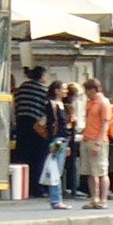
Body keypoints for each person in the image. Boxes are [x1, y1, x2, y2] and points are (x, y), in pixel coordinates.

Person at [12, 65, 50, 200]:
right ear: (42, 76)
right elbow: (46, 109)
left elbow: (16, 104)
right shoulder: (43, 90)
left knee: (23, 155)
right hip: (36, 126)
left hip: (21, 123)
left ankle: (22, 186)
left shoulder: (22, 88)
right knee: (38, 157)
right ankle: (36, 187)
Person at [38, 80, 71, 209]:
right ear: (56, 91)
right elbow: (47, 123)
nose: (66, 91)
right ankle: (56, 199)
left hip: (62, 140)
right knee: (55, 170)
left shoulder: (61, 104)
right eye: (63, 88)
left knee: (57, 170)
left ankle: (56, 198)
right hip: (57, 140)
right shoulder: (52, 105)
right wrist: (51, 138)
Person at [79, 77, 112, 209]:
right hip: (87, 138)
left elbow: (105, 123)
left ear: (93, 90)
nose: (86, 93)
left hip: (98, 140)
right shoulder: (90, 102)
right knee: (91, 172)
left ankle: (103, 199)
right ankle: (94, 198)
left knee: (101, 170)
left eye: (87, 90)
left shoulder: (103, 102)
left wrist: (98, 142)